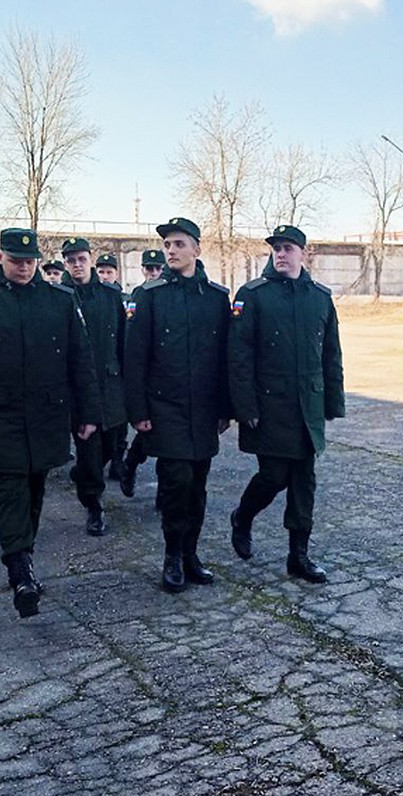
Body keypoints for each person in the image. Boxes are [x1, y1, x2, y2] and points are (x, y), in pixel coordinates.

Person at [0, 227, 100, 618]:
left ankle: (23, 553)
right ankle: (20, 572)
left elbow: (81, 360)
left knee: (35, 487)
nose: (24, 268)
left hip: (46, 415)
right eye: (16, 261)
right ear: (0, 260)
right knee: (11, 488)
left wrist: (88, 412)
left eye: (30, 262)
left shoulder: (60, 300)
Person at [227, 225, 344, 583]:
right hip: (269, 406)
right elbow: (239, 356)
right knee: (274, 475)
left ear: (303, 254)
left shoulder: (319, 297)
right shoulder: (253, 294)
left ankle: (299, 555)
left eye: (288, 248)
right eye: (276, 248)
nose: (281, 253)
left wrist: (332, 402)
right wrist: (243, 407)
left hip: (306, 405)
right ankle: (243, 516)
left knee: (303, 480)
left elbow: (331, 353)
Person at [124, 217, 230, 593]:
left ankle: (191, 554)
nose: (171, 251)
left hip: (202, 410)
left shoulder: (217, 298)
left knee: (198, 486)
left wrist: (225, 409)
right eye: (168, 245)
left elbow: (226, 359)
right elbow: (133, 358)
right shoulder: (149, 296)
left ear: (197, 249)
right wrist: (137, 412)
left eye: (179, 244)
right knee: (176, 483)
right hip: (164, 408)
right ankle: (171, 556)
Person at [60, 236, 128, 536]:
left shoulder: (111, 296)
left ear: (91, 260)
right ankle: (94, 505)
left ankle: (86, 477)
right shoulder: (59, 296)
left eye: (82, 259)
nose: (77, 264)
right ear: (65, 264)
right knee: (89, 451)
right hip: (77, 389)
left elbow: (124, 341)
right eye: (71, 260)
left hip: (111, 385)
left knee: (112, 446)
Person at [117, 248, 164, 498]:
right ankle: (130, 465)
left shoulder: (166, 293)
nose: (153, 272)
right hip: (146, 376)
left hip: (166, 376)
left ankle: (165, 495)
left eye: (157, 268)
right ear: (143, 270)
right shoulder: (139, 295)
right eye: (149, 268)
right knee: (147, 435)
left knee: (167, 443)